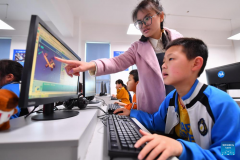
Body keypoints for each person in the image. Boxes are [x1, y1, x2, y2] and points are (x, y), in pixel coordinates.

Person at [113, 38, 240, 160]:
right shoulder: (172, 99)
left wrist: (181, 148)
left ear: (196, 63)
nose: (163, 66)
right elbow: (154, 122)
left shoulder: (223, 105)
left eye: (171, 59)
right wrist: (132, 113)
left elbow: (229, 154)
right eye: (163, 61)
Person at [55, 0, 183, 114]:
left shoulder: (179, 40)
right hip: (151, 111)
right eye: (139, 22)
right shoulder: (137, 48)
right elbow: (116, 62)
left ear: (161, 16)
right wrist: (90, 65)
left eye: (147, 18)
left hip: (180, 106)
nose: (143, 25)